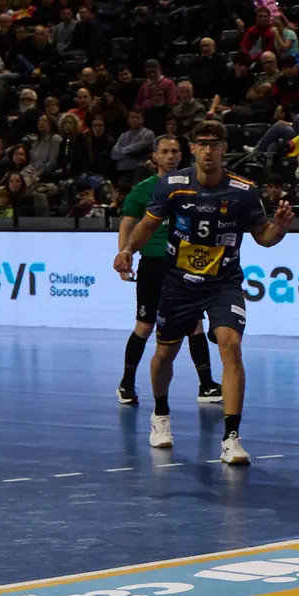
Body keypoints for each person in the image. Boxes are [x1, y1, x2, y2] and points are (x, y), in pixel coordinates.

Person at [114, 120, 295, 464]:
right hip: (178, 283)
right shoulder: (172, 186)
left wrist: (281, 229)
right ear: (193, 148)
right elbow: (147, 225)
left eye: (215, 143)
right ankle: (161, 415)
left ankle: (231, 437)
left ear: (224, 148)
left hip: (223, 283)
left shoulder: (244, 191)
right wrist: (127, 251)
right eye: (202, 143)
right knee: (165, 353)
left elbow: (264, 237)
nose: (208, 149)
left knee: (231, 344)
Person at [116, 134, 222, 405]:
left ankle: (207, 385)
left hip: (185, 263)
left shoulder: (193, 186)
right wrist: (124, 254)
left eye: (175, 151)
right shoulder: (142, 190)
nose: (171, 156)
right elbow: (128, 225)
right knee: (145, 324)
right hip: (153, 262)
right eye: (165, 151)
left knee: (195, 323)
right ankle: (127, 383)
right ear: (154, 157)